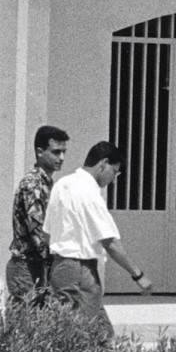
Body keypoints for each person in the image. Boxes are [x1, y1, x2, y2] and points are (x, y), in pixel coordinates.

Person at [42, 140, 155, 337]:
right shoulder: (89, 193)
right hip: (80, 271)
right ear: (103, 163)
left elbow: (47, 234)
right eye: (115, 172)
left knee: (88, 333)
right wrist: (138, 275)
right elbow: (110, 243)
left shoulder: (62, 184)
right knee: (89, 338)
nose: (114, 178)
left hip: (59, 268)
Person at [5, 125, 67, 302]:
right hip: (26, 267)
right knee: (26, 325)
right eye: (56, 152)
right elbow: (39, 235)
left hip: (38, 266)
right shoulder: (33, 185)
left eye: (64, 152)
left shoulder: (47, 184)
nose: (61, 158)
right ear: (40, 152)